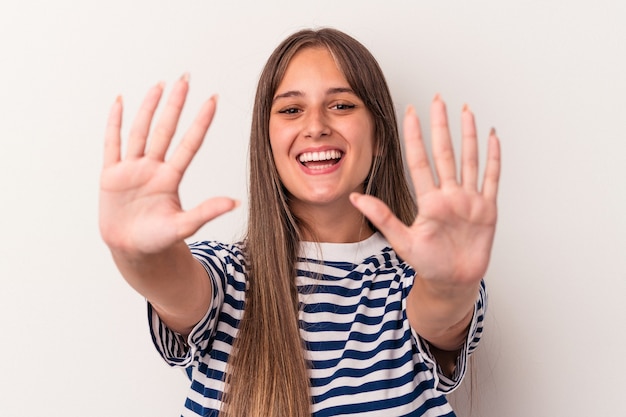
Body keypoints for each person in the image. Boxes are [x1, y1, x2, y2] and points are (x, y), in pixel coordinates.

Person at [99, 28, 501, 417]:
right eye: (291, 110)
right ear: (267, 141)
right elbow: (171, 283)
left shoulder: (414, 279)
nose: (315, 127)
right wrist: (138, 253)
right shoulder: (231, 277)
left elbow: (440, 313)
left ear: (379, 136)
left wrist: (451, 283)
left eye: (341, 105)